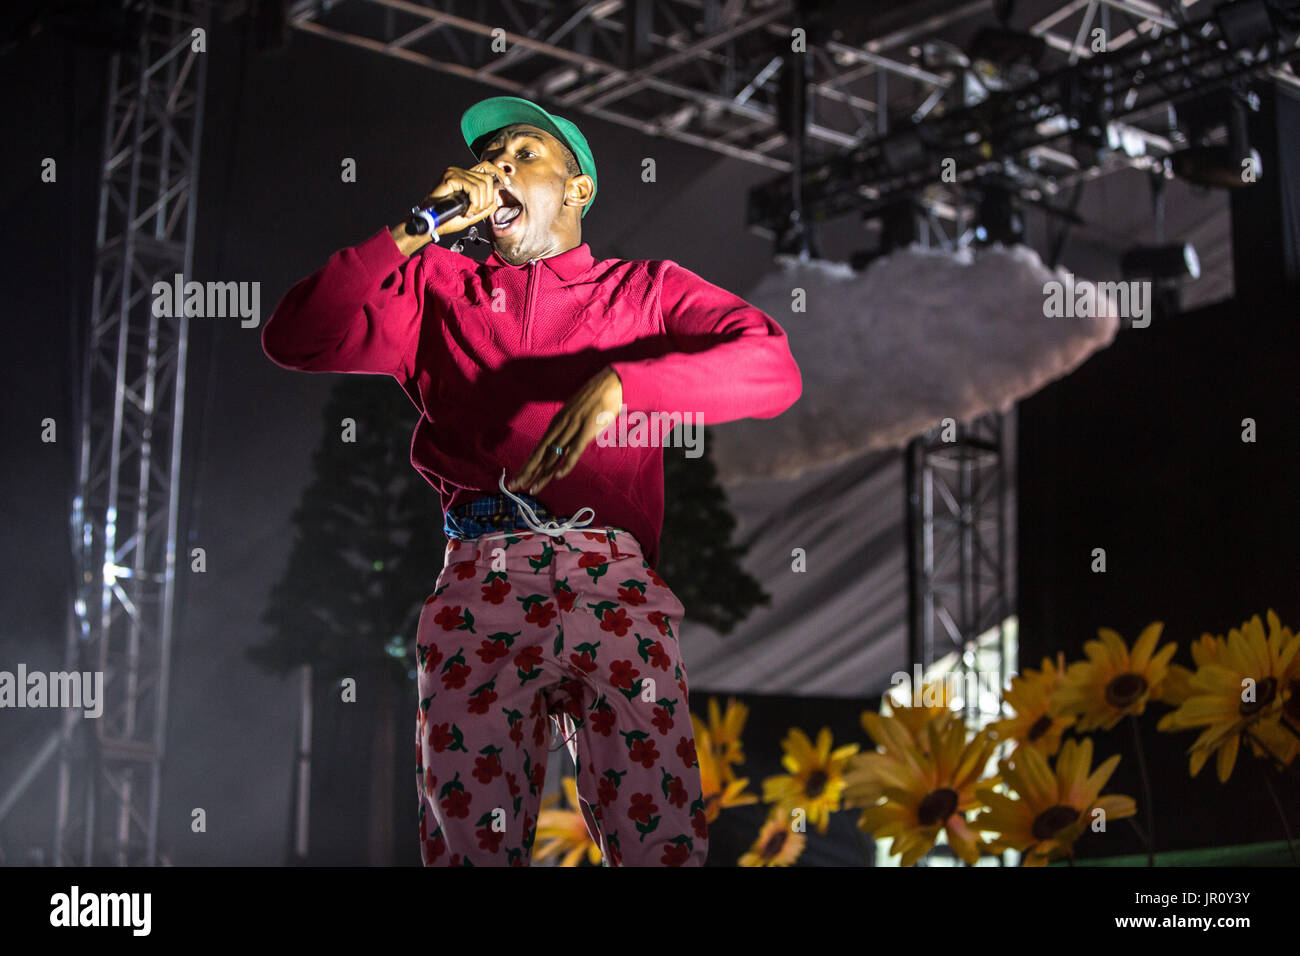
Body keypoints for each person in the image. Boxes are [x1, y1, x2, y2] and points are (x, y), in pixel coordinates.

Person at [261, 95, 802, 866]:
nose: (496, 170)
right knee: (471, 845)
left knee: (661, 840)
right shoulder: (436, 290)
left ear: (577, 189)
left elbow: (772, 367)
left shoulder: (643, 290)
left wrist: (623, 382)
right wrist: (419, 226)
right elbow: (296, 336)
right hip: (481, 580)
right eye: (489, 161)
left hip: (611, 580)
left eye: (522, 154)